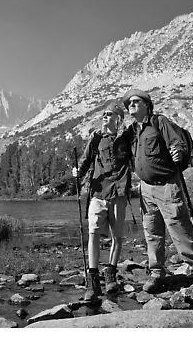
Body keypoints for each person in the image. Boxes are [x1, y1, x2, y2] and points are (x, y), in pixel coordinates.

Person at [122, 89, 193, 293]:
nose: (131, 105)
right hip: (145, 189)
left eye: (135, 101)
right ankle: (156, 273)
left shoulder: (160, 122)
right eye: (128, 103)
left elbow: (176, 143)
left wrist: (179, 152)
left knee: (179, 229)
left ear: (147, 105)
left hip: (167, 186)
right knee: (152, 232)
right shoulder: (133, 130)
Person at [72, 101, 133, 301]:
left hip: (120, 193)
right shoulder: (96, 138)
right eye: (103, 114)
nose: (104, 117)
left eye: (108, 114)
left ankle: (111, 273)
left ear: (119, 118)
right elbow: (86, 160)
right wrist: (77, 173)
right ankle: (93, 280)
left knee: (117, 236)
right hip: (98, 194)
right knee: (94, 234)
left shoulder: (127, 138)